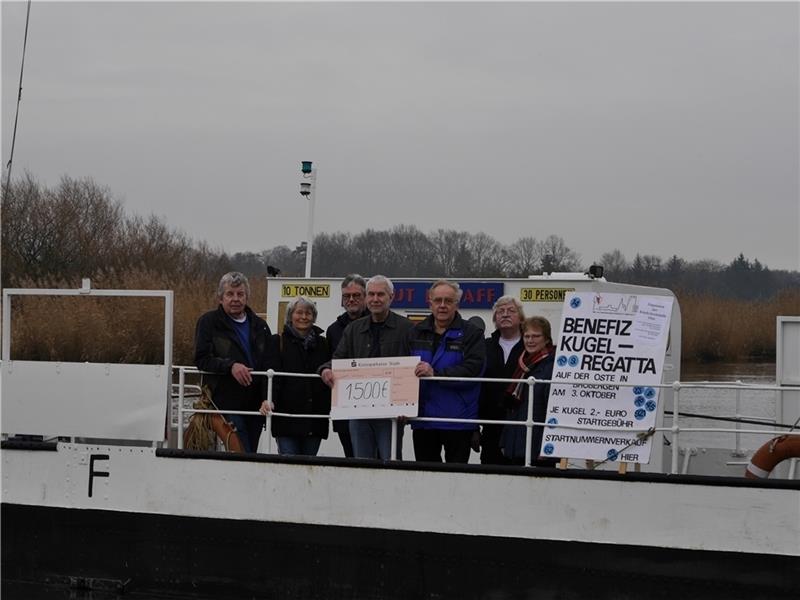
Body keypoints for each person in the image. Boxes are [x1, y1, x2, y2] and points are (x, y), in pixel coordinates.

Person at [320, 275, 414, 460]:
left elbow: (413, 365)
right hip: (358, 411)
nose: (375, 299)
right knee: (361, 465)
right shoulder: (353, 329)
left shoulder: (407, 328)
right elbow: (338, 359)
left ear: (391, 297)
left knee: (391, 463)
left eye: (380, 294)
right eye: (371, 294)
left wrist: (408, 406)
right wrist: (325, 369)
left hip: (391, 413)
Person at [194, 272, 277, 453]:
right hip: (226, 402)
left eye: (240, 294)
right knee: (241, 451)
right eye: (230, 294)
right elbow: (202, 359)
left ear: (247, 297)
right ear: (220, 297)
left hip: (255, 405)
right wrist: (230, 366)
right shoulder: (208, 323)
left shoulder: (260, 326)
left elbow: (268, 365)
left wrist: (266, 397)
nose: (235, 299)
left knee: (251, 451)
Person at [409, 280, 486, 463]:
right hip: (423, 421)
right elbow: (404, 370)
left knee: (456, 482)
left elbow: (473, 370)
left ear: (457, 304)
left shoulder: (472, 333)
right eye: (438, 300)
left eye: (448, 301)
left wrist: (435, 374)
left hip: (458, 421)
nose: (442, 305)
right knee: (425, 478)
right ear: (430, 303)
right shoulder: (415, 332)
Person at [260, 297, 331, 456]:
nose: (304, 317)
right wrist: (267, 399)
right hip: (286, 418)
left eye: (308, 313)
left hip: (314, 419)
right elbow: (271, 374)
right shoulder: (277, 341)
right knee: (288, 464)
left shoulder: (324, 344)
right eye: (299, 312)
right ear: (290, 315)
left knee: (309, 466)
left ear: (314, 317)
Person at [499, 316, 557, 467]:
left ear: (546, 339)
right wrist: (505, 441)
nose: (530, 340)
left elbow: (553, 411)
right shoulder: (522, 364)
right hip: (516, 445)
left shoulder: (553, 366)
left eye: (536, 336)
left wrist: (547, 447)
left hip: (538, 449)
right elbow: (512, 407)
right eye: (527, 336)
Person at [478, 295, 526, 464]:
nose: (505, 315)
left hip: (521, 426)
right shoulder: (484, 346)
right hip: (491, 426)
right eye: (500, 312)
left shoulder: (531, 347)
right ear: (495, 319)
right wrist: (475, 427)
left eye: (511, 311)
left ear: (521, 318)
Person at [325, 274, 369, 457]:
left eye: (356, 295)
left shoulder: (378, 323)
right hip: (345, 405)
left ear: (365, 297)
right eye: (346, 296)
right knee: (350, 458)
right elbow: (331, 360)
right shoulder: (333, 330)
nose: (351, 299)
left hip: (375, 406)